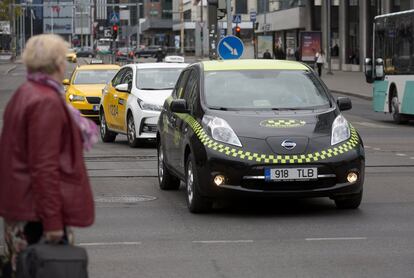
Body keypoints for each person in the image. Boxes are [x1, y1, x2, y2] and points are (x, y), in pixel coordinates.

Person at [0, 34, 97, 276]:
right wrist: (53, 223)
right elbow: (44, 167)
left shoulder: (25, 93)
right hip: (38, 218)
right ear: (57, 63)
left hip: (24, 211)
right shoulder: (46, 102)